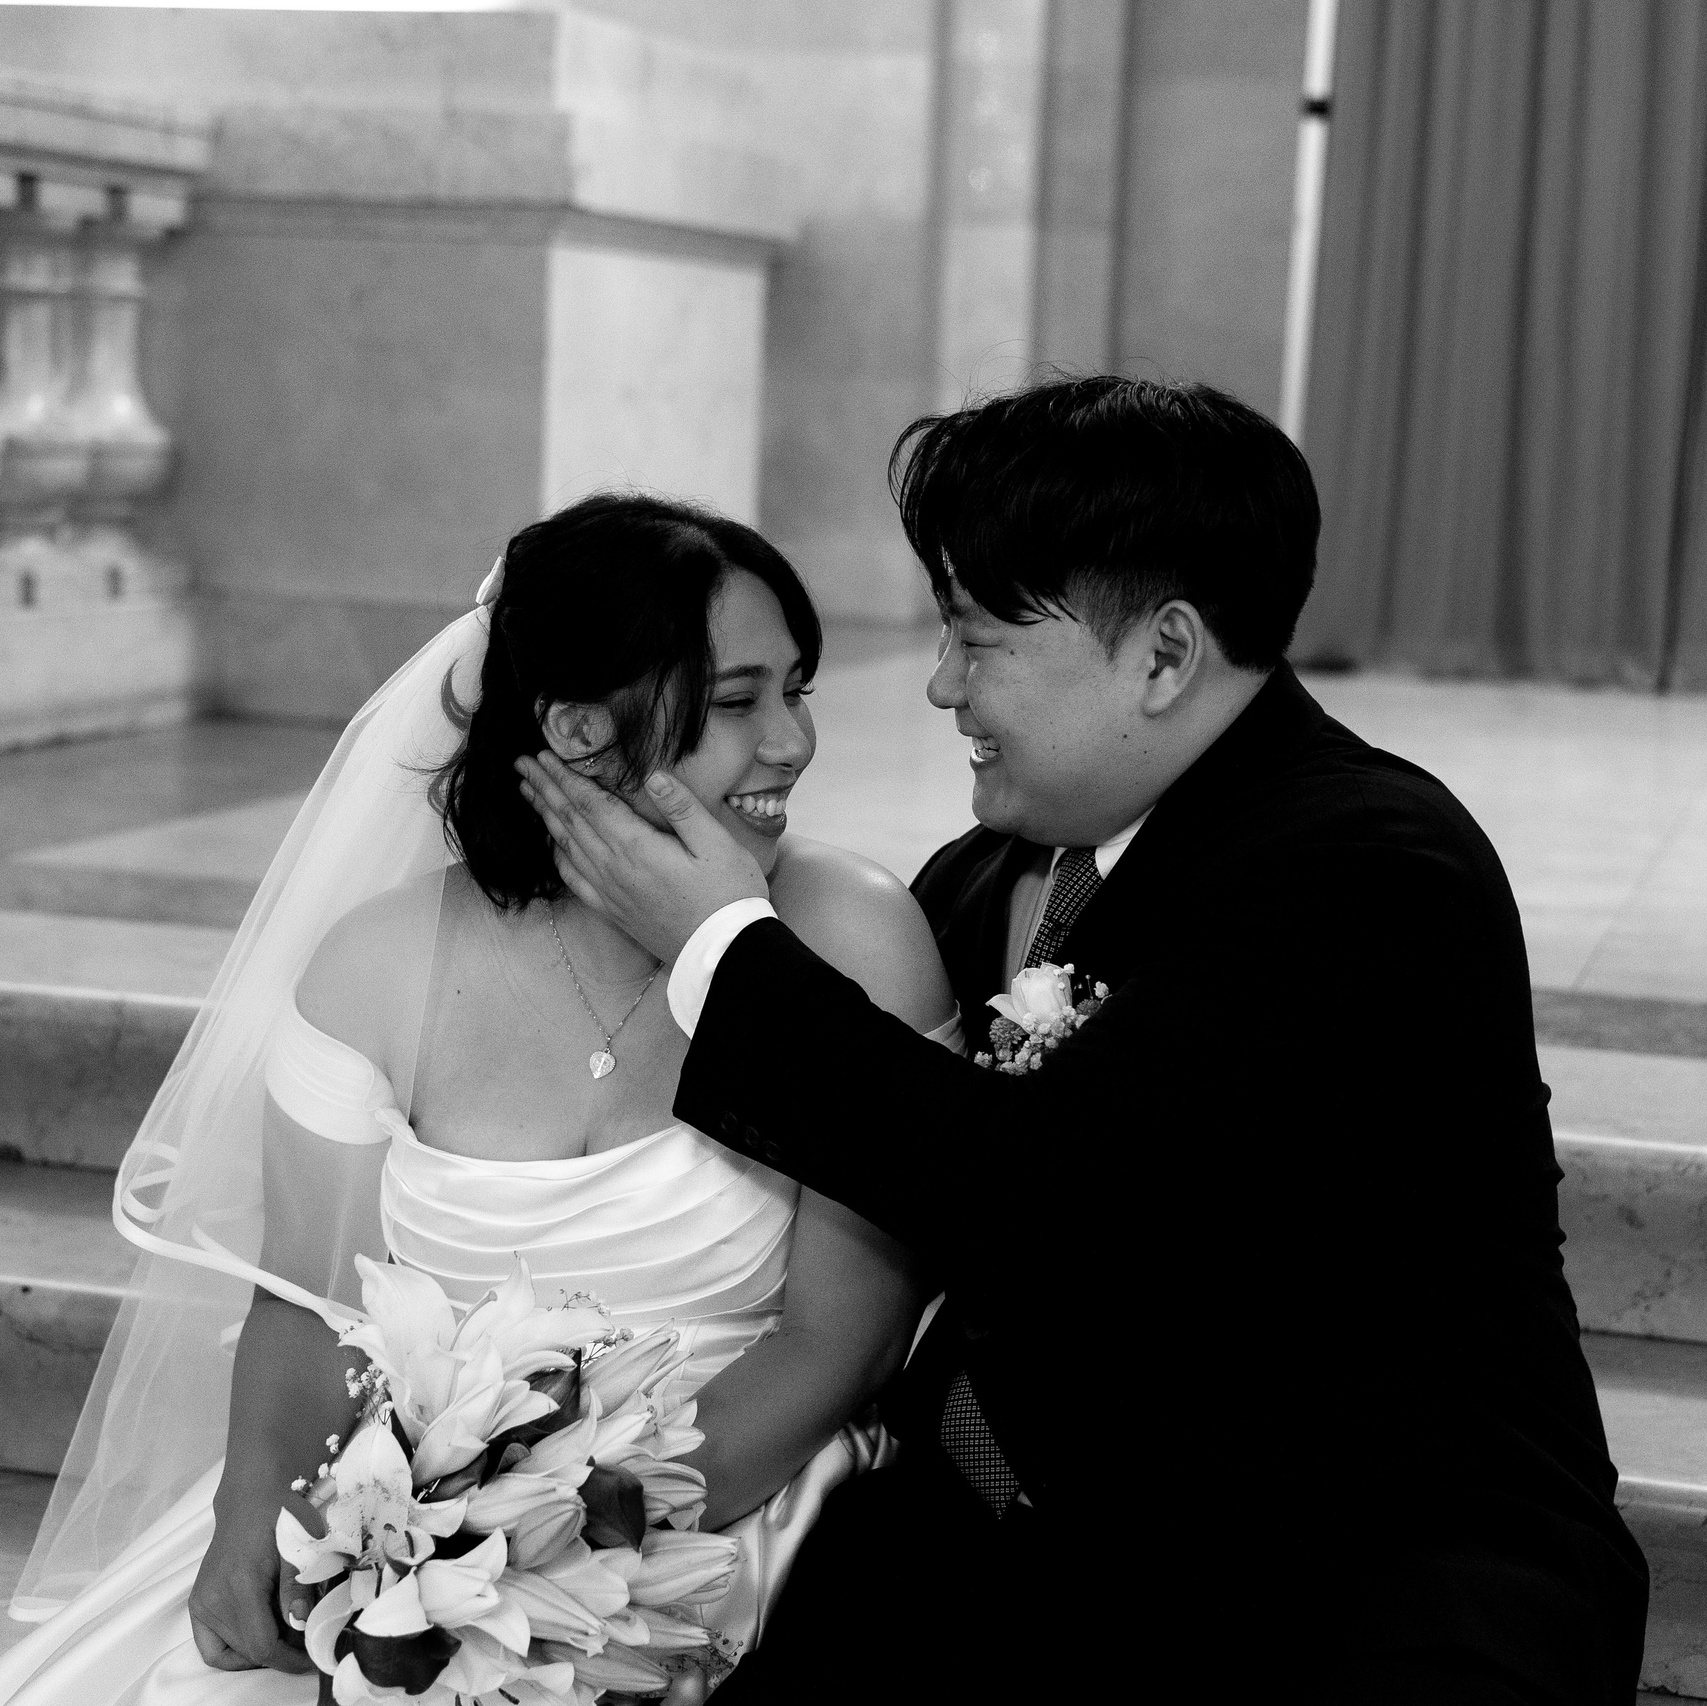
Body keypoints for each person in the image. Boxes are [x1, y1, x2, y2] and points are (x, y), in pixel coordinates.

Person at [519, 377, 1651, 1705]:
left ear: (1163, 655)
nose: (939, 685)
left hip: (1359, 1573)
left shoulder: (1367, 869)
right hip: (1027, 1542)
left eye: (976, 636)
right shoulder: (981, 876)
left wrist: (719, 939)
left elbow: (1035, 1190)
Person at [0, 493, 956, 1704]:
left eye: (798, 689)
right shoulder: (377, 964)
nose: (793, 741)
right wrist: (263, 1508)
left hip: (739, 1507)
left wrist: (568, 1544)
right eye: (735, 701)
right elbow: (303, 1295)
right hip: (418, 1526)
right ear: (572, 726)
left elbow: (845, 1334)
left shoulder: (856, 934)